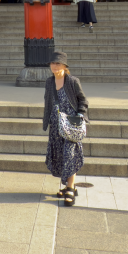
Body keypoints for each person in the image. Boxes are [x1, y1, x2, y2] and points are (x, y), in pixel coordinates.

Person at [42, 52, 87, 204]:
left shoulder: (72, 81)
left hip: (70, 125)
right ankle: (68, 186)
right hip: (55, 126)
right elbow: (47, 102)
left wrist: (80, 115)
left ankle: (70, 188)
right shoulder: (49, 82)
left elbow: (83, 100)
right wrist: (47, 120)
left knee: (70, 155)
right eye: (52, 63)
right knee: (60, 155)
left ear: (64, 66)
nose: (54, 66)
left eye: (58, 63)